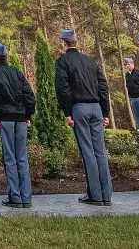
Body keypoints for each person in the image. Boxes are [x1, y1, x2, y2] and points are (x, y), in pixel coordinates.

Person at [54, 29, 113, 206]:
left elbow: (62, 89)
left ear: (63, 43)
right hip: (96, 107)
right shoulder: (90, 62)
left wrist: (67, 112)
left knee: (87, 151)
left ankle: (94, 194)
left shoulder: (63, 61)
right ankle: (106, 194)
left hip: (79, 108)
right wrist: (105, 112)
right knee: (100, 151)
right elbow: (103, 87)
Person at [0, 41, 36, 208]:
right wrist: (28, 114)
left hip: (6, 119)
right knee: (22, 157)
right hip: (20, 119)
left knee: (9, 157)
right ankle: (26, 197)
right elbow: (29, 95)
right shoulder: (16, 72)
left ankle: (14, 196)